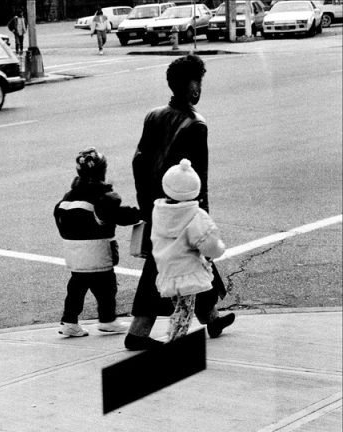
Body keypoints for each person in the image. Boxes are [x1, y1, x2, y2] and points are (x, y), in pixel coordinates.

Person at [125, 54, 235, 351]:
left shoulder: (153, 115)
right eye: (197, 81)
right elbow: (199, 177)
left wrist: (146, 202)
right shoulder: (195, 124)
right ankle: (138, 331)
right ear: (193, 87)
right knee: (171, 265)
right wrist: (203, 217)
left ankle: (211, 317)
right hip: (183, 207)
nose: (199, 86)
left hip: (156, 204)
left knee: (189, 263)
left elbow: (138, 161)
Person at [54, 148, 141, 337]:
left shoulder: (69, 196)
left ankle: (69, 321)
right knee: (107, 288)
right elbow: (121, 216)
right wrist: (140, 214)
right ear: (102, 170)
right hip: (98, 252)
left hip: (75, 253)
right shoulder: (102, 197)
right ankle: (107, 320)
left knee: (76, 287)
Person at [152, 159, 226, 342]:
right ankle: (175, 340)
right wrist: (219, 249)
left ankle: (178, 334)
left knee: (179, 305)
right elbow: (209, 244)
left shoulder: (159, 210)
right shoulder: (195, 215)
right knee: (185, 310)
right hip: (186, 270)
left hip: (166, 266)